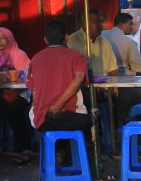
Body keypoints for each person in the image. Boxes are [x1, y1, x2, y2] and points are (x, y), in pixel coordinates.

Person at [27, 20, 92, 160]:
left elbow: (35, 94)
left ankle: (57, 155)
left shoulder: (35, 59)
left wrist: (45, 109)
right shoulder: (77, 57)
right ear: (67, 37)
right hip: (72, 117)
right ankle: (82, 159)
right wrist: (58, 106)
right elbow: (79, 79)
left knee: (34, 115)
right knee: (92, 116)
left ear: (45, 39)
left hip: (43, 120)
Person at [0, 26, 33, 161]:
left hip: (21, 92)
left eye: (3, 38)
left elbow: (28, 77)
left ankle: (23, 147)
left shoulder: (20, 55)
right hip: (1, 93)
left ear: (10, 39)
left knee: (13, 107)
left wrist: (14, 89)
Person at [101, 13, 141, 125]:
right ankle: (130, 124)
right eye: (130, 24)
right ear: (121, 24)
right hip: (121, 83)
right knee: (140, 93)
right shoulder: (129, 42)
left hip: (101, 80)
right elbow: (138, 68)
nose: (132, 27)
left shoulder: (101, 36)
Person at [67, 9, 118, 78]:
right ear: (85, 23)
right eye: (97, 22)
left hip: (105, 85)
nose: (101, 25)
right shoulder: (71, 41)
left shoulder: (105, 42)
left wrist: (113, 86)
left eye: (102, 22)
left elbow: (113, 69)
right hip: (84, 86)